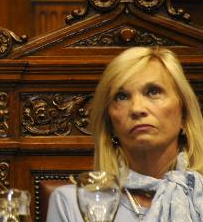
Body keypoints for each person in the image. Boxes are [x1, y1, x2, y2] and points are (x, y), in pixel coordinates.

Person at [46, 47, 203, 222]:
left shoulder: (199, 198)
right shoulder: (73, 203)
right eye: (121, 97)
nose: (137, 109)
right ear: (110, 124)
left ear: (184, 116)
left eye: (153, 91)